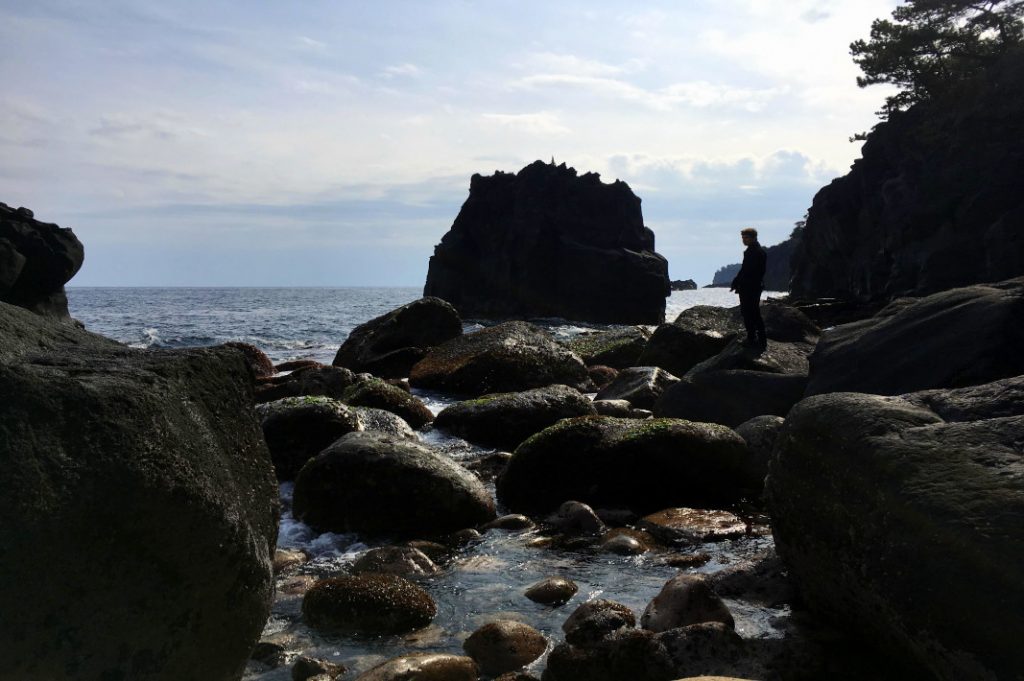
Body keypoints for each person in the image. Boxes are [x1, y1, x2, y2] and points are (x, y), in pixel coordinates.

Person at [730, 227, 767, 349]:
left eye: (746, 238)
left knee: (751, 312)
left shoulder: (757, 252)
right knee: (749, 312)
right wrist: (736, 282)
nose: (744, 240)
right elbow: (744, 269)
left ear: (753, 238)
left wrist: (743, 282)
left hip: (752, 286)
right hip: (749, 286)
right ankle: (756, 337)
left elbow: (753, 271)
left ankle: (754, 338)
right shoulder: (751, 251)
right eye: (743, 238)